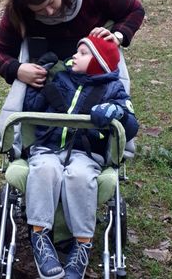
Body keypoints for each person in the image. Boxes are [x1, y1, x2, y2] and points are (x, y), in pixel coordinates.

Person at [23, 35, 139, 279]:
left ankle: (82, 244)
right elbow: (32, 108)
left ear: (99, 61)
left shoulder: (113, 89)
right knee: (44, 170)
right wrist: (40, 79)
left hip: (86, 153)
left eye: (83, 53)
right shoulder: (60, 79)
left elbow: (130, 126)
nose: (74, 56)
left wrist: (118, 112)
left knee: (80, 176)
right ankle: (40, 237)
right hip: (48, 147)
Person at [0, 0, 145, 87]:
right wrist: (17, 69)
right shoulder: (19, 9)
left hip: (97, 76)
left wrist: (117, 36)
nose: (49, 12)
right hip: (49, 81)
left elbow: (134, 10)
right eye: (39, 10)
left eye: (51, 2)